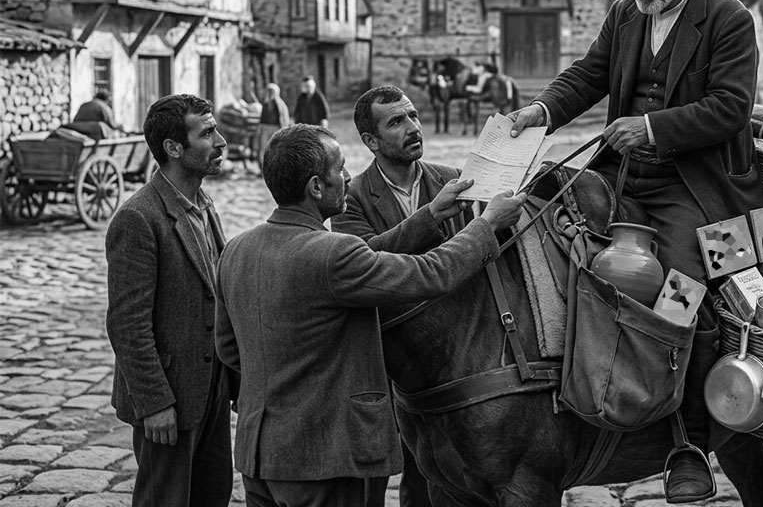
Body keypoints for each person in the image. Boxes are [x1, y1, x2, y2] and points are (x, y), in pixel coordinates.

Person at [507, 0, 763, 504]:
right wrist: (541, 111)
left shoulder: (729, 18)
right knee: (544, 221)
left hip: (695, 184)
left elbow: (731, 107)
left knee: (682, 292)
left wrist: (651, 127)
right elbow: (588, 75)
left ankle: (689, 442)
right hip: (622, 173)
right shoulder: (625, 13)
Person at [215, 124, 524, 507]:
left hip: (259, 458)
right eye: (340, 168)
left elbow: (228, 349)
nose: (348, 177)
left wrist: (429, 216)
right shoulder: (332, 254)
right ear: (316, 186)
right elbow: (431, 273)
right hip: (327, 460)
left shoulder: (237, 250)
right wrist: (486, 225)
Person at [331, 85, 468, 507]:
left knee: (454, 471)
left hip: (456, 355)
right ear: (371, 141)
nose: (412, 127)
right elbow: (367, 259)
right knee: (388, 475)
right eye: (396, 122)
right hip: (388, 357)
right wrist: (431, 216)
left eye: (413, 116)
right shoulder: (350, 197)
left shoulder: (451, 179)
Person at [105, 94, 233, 507]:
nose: (220, 141)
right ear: (174, 148)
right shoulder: (138, 218)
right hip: (170, 398)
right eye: (207, 133)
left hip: (211, 388)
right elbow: (127, 324)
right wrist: (155, 403)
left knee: (213, 494)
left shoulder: (202, 203)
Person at [256, 83, 291, 167]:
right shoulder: (265, 104)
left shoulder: (281, 104)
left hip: (276, 129)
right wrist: (260, 128)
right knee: (264, 148)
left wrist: (283, 130)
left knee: (276, 149)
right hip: (265, 128)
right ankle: (263, 167)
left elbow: (284, 119)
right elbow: (262, 118)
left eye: (271, 92)